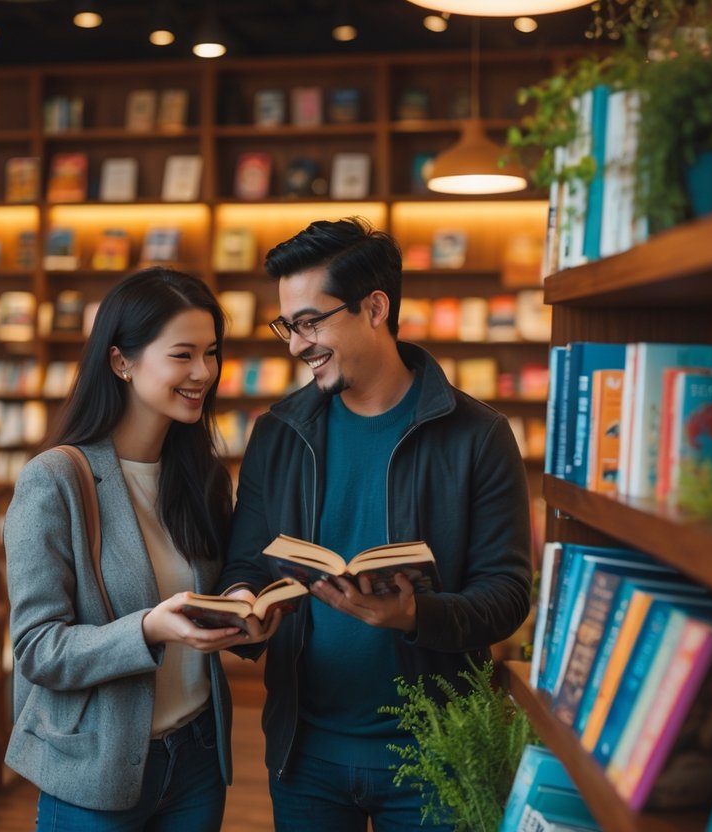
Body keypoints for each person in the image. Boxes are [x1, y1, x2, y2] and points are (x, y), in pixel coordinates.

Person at [218, 218, 533, 831]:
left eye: (310, 322)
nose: (295, 344)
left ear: (375, 308)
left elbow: (507, 597)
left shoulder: (479, 436)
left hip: (435, 752)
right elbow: (246, 565)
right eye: (288, 325)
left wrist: (415, 616)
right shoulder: (277, 433)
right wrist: (240, 604)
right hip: (303, 754)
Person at [4, 267, 267, 831]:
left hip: (197, 757)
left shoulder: (202, 477)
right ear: (122, 361)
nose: (204, 373)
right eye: (183, 355)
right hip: (96, 771)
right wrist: (149, 629)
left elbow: (211, 599)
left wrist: (247, 615)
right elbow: (36, 649)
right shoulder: (55, 480)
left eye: (212, 353)